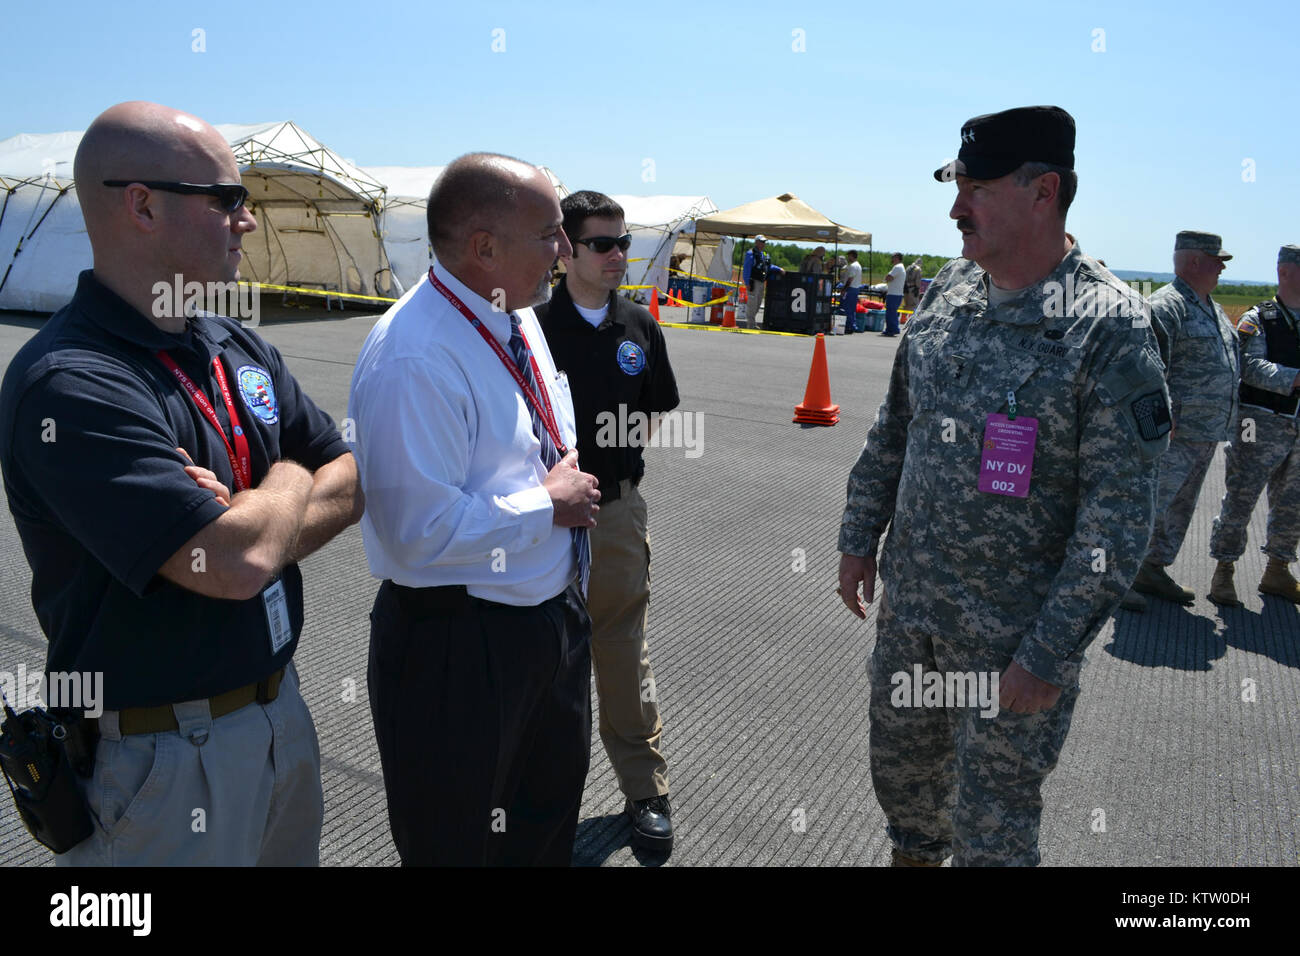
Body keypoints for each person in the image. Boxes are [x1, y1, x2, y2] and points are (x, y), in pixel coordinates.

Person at [0, 101, 363, 866]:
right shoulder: (71, 384)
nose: (249, 221)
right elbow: (229, 564)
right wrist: (288, 480)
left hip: (278, 718)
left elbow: (354, 476)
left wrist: (256, 510)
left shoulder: (233, 341)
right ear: (142, 205)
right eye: (227, 199)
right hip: (161, 762)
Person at [837, 105, 1170, 866]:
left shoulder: (1108, 327)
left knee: (993, 833)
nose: (956, 207)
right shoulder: (949, 291)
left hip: (1010, 648)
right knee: (907, 797)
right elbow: (895, 427)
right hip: (913, 618)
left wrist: (1049, 652)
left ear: (1043, 192)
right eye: (958, 185)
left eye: (976, 188)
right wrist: (859, 537)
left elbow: (1115, 522)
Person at [349, 153, 600, 866]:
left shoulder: (512, 316)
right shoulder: (415, 356)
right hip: (458, 647)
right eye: (550, 233)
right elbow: (415, 535)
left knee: (544, 831)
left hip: (547, 626)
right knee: (455, 845)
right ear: (483, 248)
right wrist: (544, 507)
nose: (565, 250)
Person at [536, 190, 681, 853]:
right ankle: (537, 796)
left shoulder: (639, 325)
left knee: (623, 651)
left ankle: (645, 789)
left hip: (617, 512)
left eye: (624, 242)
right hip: (541, 518)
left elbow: (653, 410)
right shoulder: (530, 328)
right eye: (602, 243)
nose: (619, 255)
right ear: (566, 248)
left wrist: (609, 472)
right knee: (542, 654)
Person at [1124, 231, 1239, 611]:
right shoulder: (1167, 305)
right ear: (1193, 262)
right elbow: (1145, 366)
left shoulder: (1212, 308)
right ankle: (1118, 579)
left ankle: (1152, 569)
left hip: (1204, 432)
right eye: (1216, 259)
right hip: (1172, 432)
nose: (1222, 267)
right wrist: (1161, 415)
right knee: (1148, 505)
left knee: (1178, 509)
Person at [1208, 244, 1300, 606]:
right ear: (1286, 272)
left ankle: (1278, 569)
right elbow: (1249, 365)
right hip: (1259, 424)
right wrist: (1294, 379)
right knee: (1241, 498)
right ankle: (1224, 571)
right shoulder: (1259, 318)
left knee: (1293, 503)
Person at [741, 235, 783, 329]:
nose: (763, 244)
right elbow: (746, 269)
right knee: (752, 303)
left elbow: (768, 266)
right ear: (756, 242)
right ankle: (751, 324)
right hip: (753, 282)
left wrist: (778, 269)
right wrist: (747, 283)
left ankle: (752, 322)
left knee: (758, 302)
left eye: (764, 242)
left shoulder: (763, 254)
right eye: (761, 242)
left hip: (761, 282)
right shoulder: (751, 253)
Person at [837, 250, 863, 334]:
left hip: (850, 289)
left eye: (849, 256)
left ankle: (849, 326)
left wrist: (844, 289)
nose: (848, 258)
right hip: (855, 289)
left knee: (847, 308)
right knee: (852, 309)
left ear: (852, 256)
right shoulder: (858, 265)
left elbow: (850, 279)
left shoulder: (853, 266)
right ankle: (852, 325)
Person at [883, 252, 906, 336]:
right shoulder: (900, 267)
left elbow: (888, 277)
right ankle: (891, 328)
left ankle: (892, 329)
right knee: (891, 312)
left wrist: (886, 278)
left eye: (893, 257)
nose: (891, 259)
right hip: (896, 293)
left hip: (894, 294)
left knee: (891, 312)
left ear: (897, 258)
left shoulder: (897, 267)